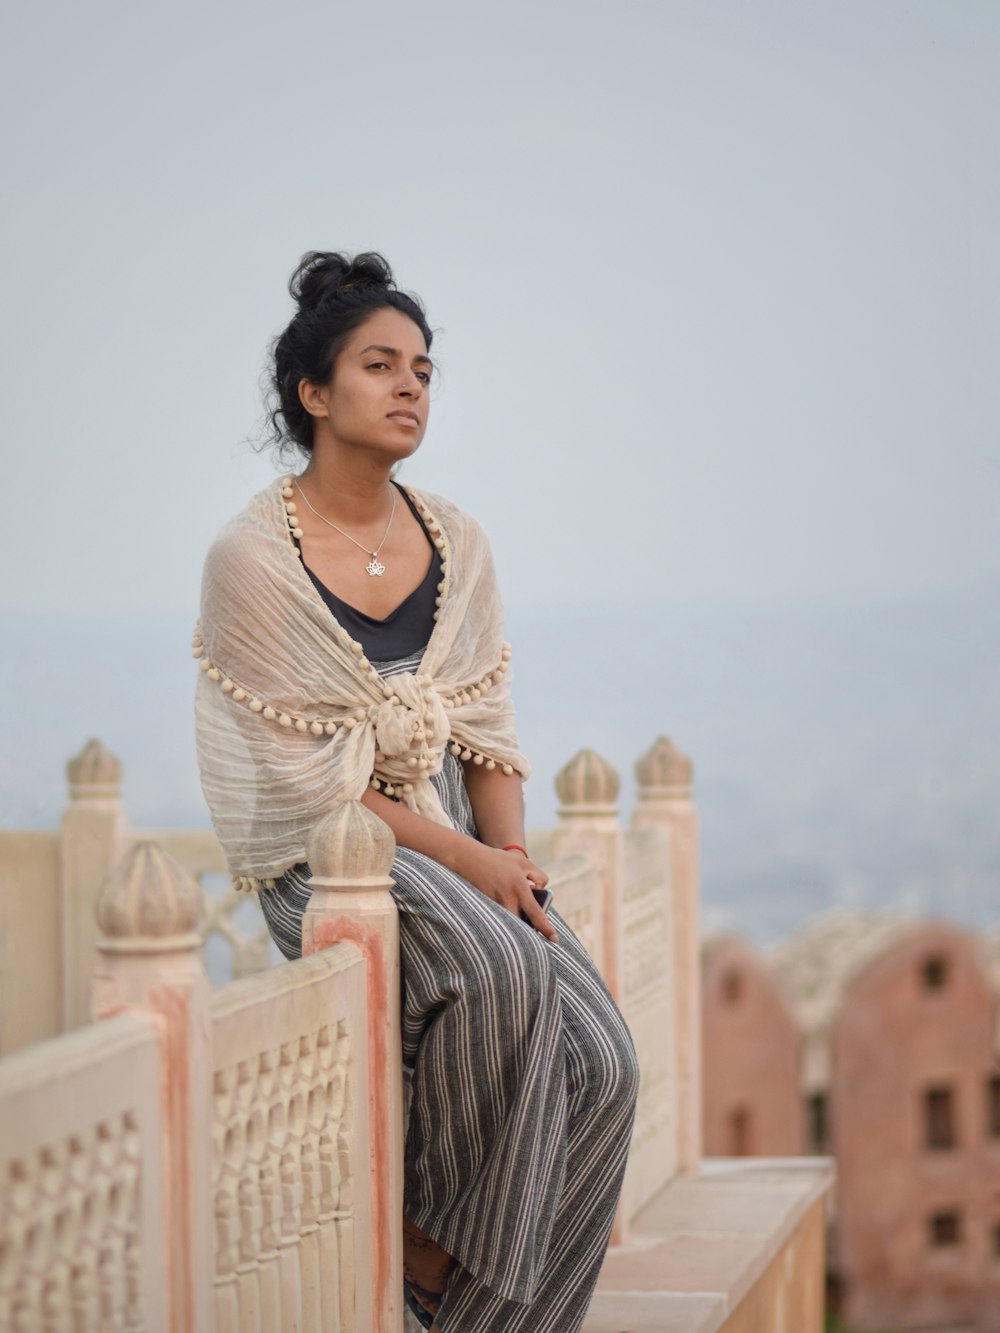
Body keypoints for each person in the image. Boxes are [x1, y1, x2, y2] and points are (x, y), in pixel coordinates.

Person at [194, 250, 639, 1332]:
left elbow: (485, 728)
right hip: (329, 852)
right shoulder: (253, 558)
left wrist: (513, 863)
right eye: (380, 366)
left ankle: (504, 1323)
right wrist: (472, 868)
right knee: (494, 972)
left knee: (606, 1062)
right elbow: (307, 780)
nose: (410, 389)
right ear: (312, 392)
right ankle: (430, 1253)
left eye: (425, 372)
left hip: (447, 833)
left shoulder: (457, 539)